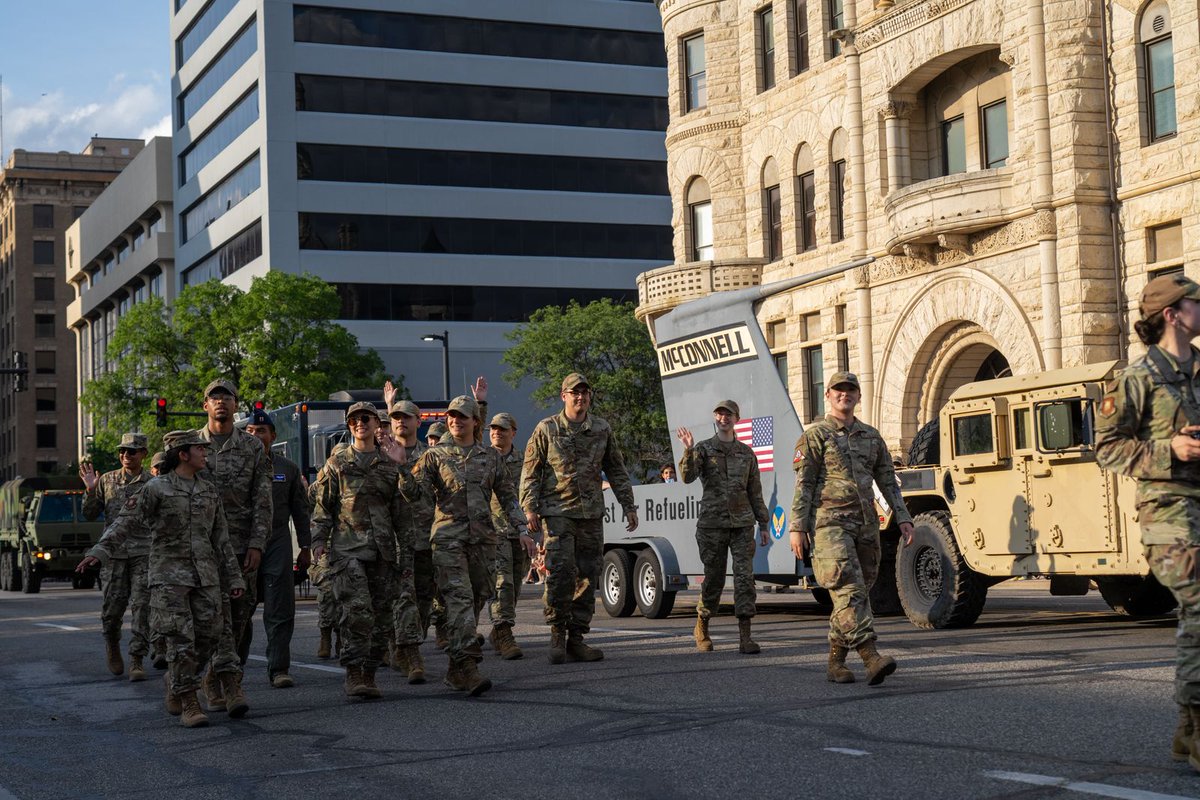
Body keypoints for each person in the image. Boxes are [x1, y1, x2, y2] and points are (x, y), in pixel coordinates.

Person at [1096, 273, 1200, 771]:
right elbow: (1107, 449)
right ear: (1172, 314)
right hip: (1168, 514)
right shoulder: (1136, 379)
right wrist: (1170, 449)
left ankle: (1186, 728)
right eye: (1195, 301)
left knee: (1195, 619)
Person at [77, 430, 245, 729]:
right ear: (183, 454)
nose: (206, 454)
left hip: (205, 575)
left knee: (209, 634)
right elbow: (125, 522)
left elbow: (221, 539)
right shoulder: (156, 489)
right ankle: (189, 702)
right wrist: (100, 551)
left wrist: (233, 576)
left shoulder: (208, 491)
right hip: (168, 576)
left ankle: (176, 679)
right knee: (181, 639)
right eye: (200, 449)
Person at [788, 371, 913, 686]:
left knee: (858, 591)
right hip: (828, 524)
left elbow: (888, 482)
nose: (845, 394)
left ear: (858, 396)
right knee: (848, 588)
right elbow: (803, 485)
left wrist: (904, 517)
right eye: (839, 390)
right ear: (828, 395)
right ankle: (871, 656)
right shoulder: (815, 435)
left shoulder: (871, 437)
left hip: (866, 525)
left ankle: (836, 663)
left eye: (851, 390)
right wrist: (797, 527)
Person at [393, 395, 524, 696]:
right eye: (452, 416)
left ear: (475, 421)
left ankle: (455, 668)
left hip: (482, 541)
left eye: (463, 416)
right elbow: (415, 495)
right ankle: (468, 667)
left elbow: (506, 496)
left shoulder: (489, 457)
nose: (455, 420)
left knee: (478, 597)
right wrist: (401, 468)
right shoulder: (435, 455)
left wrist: (522, 527)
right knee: (460, 601)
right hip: (448, 540)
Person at [521, 372, 638, 664]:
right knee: (560, 574)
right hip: (558, 513)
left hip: (590, 514)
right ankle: (557, 634)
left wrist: (628, 505)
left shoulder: (601, 428)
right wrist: (530, 507)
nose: (580, 397)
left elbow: (616, 469)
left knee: (588, 576)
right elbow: (531, 470)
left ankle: (577, 639)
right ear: (564, 396)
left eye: (585, 392)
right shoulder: (546, 428)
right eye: (575, 392)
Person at [311, 402, 413, 700]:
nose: (359, 424)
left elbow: (407, 507)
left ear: (375, 424)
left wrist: (401, 464)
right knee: (358, 612)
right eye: (353, 420)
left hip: (383, 552)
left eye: (365, 419)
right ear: (349, 425)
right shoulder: (337, 462)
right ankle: (354, 673)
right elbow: (323, 506)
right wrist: (318, 540)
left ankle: (369, 673)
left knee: (382, 617)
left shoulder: (388, 462)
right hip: (347, 550)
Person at [194, 379, 271, 717]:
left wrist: (257, 543)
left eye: (227, 397)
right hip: (203, 548)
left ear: (237, 405)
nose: (221, 402)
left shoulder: (252, 447)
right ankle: (226, 682)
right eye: (215, 398)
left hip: (241, 546)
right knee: (212, 618)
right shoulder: (190, 446)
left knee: (240, 616)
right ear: (205, 405)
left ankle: (218, 674)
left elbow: (262, 500)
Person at [677, 400, 770, 654]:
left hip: (742, 524)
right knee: (715, 579)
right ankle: (702, 626)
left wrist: (763, 523)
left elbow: (755, 491)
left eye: (728, 414)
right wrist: (688, 450)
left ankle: (745, 637)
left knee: (744, 579)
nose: (723, 418)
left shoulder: (746, 453)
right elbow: (687, 477)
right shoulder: (704, 449)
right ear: (714, 418)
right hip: (712, 525)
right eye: (719, 414)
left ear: (736, 419)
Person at [243, 409, 312, 688]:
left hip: (277, 541)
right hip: (243, 543)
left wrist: (305, 547)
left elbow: (300, 510)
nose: (256, 436)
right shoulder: (234, 466)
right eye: (249, 432)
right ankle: (232, 670)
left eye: (261, 431)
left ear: (273, 435)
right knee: (238, 609)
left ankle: (279, 668)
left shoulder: (287, 469)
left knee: (280, 607)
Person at [79, 433, 151, 680]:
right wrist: (89, 490)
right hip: (114, 554)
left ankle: (137, 659)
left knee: (143, 607)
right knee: (113, 609)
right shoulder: (107, 481)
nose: (126, 456)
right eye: (122, 451)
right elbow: (89, 514)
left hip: (144, 552)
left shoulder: (152, 483)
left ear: (143, 453)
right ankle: (112, 644)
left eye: (132, 451)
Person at [386, 397, 439, 683]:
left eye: (407, 417)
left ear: (418, 422)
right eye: (396, 417)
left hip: (424, 536)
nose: (400, 421)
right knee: (403, 598)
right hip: (393, 539)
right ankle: (412, 654)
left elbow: (422, 495)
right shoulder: (379, 453)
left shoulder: (429, 456)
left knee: (423, 600)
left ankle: (402, 644)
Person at [487, 412, 537, 659]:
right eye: (493, 429)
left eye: (502, 429)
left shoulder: (524, 461)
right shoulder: (483, 459)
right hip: (492, 530)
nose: (496, 432)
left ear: (513, 433)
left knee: (515, 584)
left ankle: (499, 630)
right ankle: (504, 631)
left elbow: (533, 491)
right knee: (502, 583)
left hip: (520, 532)